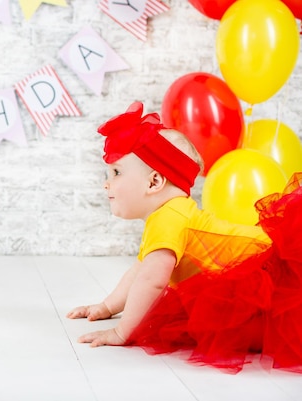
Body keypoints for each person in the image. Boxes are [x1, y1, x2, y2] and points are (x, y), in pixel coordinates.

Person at [67, 101, 302, 373]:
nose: (106, 183)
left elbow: (151, 281)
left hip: (270, 268)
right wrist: (107, 306)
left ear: (154, 182)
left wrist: (122, 332)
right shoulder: (169, 215)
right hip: (259, 267)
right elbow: (141, 270)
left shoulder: (169, 218)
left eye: (116, 172)